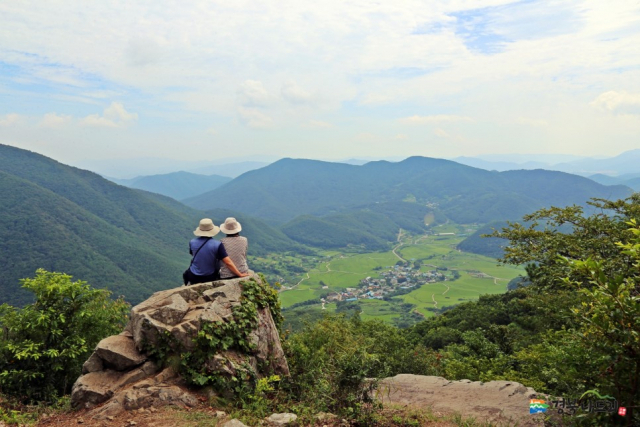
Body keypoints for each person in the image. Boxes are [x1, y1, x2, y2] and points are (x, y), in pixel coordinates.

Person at [183, 218, 249, 285]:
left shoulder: (192, 242)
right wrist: (239, 274)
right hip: (209, 276)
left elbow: (193, 254)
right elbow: (228, 262)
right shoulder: (217, 244)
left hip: (193, 275)